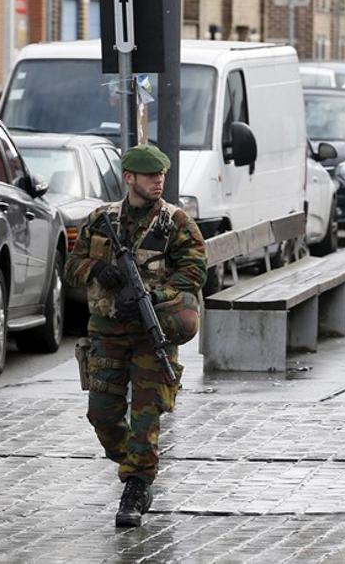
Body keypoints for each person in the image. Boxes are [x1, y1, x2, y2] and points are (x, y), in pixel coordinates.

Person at [64, 144, 207, 528]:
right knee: (102, 414)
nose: (158, 181)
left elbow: (193, 273)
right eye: (150, 176)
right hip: (107, 332)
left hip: (151, 330)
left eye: (162, 175)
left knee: (146, 413)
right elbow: (71, 265)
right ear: (130, 178)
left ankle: (137, 486)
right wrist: (98, 269)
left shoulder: (176, 223)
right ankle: (136, 462)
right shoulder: (100, 219)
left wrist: (156, 296)